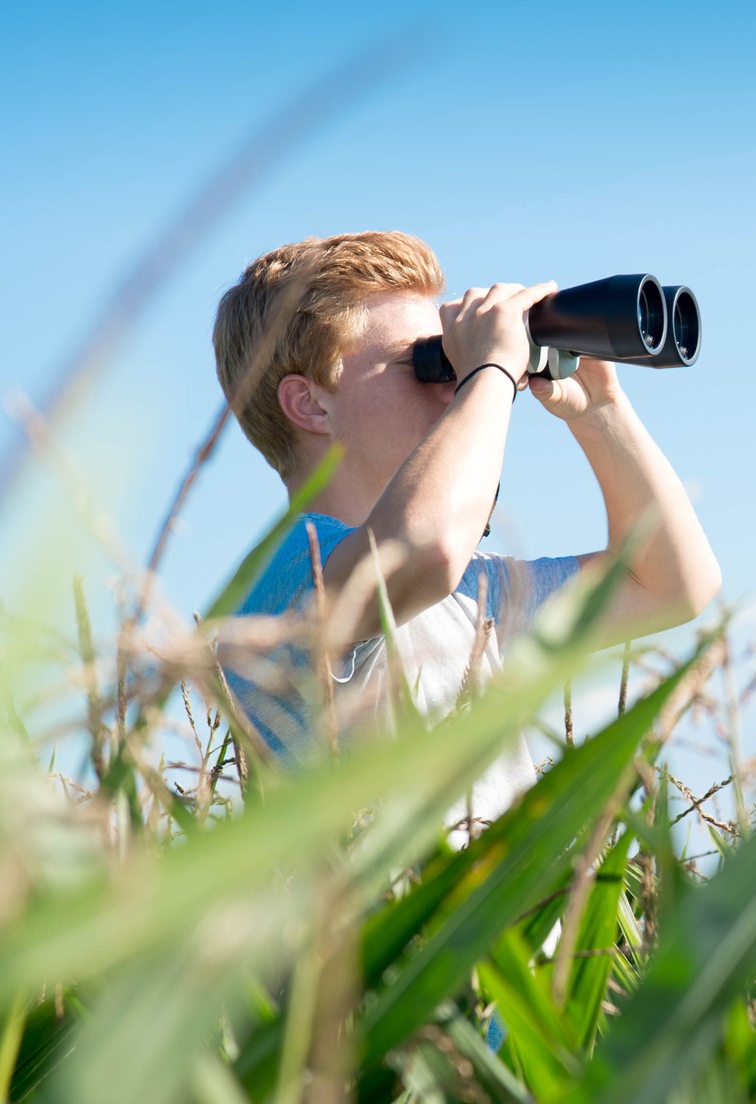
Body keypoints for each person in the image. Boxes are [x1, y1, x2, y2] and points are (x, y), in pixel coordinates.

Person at [210, 230, 720, 834]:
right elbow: (424, 550)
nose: (451, 383)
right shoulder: (287, 573)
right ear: (311, 405)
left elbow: (670, 584)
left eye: (452, 361)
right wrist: (492, 370)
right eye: (422, 361)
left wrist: (601, 411)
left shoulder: (469, 595)